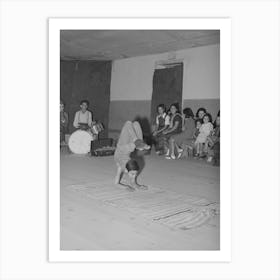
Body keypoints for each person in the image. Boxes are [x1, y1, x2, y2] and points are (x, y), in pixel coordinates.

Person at [114, 121, 150, 191]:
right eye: (133, 174)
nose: (134, 176)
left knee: (128, 123)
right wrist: (135, 186)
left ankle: (138, 143)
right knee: (136, 123)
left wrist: (128, 187)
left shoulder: (120, 166)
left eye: (134, 174)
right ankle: (138, 144)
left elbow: (116, 183)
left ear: (126, 170)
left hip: (122, 146)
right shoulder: (129, 168)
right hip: (128, 149)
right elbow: (132, 182)